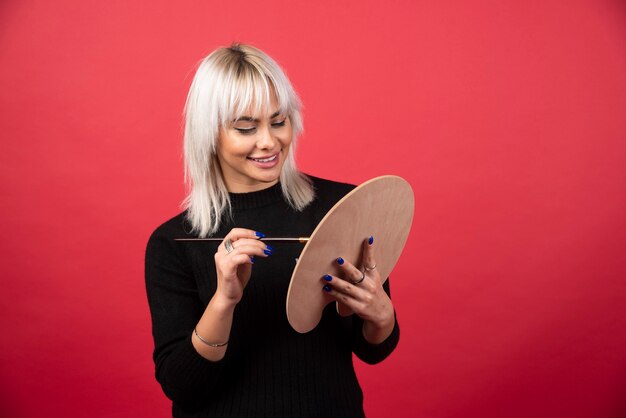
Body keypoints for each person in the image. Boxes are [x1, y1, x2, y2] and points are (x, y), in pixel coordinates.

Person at [145, 43, 400, 417]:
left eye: (278, 122)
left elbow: (373, 349)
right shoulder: (174, 243)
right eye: (246, 127)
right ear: (209, 135)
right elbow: (182, 386)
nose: (269, 141)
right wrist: (224, 301)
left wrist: (382, 315)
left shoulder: (346, 206)